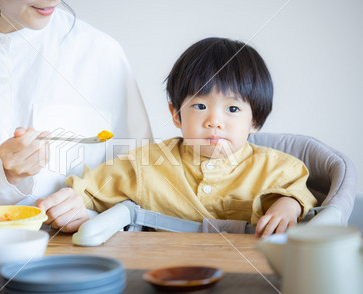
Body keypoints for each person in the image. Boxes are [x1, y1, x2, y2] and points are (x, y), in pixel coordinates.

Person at [38, 37, 318, 238]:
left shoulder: (279, 167)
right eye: (200, 106)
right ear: (176, 114)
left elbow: (298, 190)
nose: (214, 121)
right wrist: (69, 201)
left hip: (251, 272)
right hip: (163, 272)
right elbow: (92, 188)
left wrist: (288, 206)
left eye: (232, 109)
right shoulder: (146, 163)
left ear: (255, 119)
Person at [0, 0, 152, 225]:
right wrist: (2, 177)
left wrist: (91, 210)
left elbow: (145, 190)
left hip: (80, 257)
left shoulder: (100, 52)